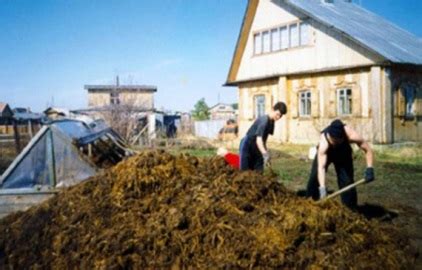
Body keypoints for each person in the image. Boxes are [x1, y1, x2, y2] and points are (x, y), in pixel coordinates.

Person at [306, 119, 375, 209]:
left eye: (335, 142)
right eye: (331, 141)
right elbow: (321, 168)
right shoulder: (324, 143)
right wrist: (322, 189)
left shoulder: (351, 135)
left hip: (343, 153)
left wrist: (370, 168)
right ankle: (310, 205)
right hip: (327, 153)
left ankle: (350, 210)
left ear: (342, 138)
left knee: (347, 181)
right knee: (315, 177)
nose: (333, 143)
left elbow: (368, 149)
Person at [239, 102, 287, 172]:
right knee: (245, 173)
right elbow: (259, 140)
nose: (278, 117)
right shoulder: (264, 120)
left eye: (280, 116)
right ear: (272, 109)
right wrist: (265, 154)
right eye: (277, 114)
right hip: (247, 145)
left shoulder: (272, 122)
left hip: (257, 146)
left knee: (259, 171)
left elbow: (264, 139)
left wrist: (265, 152)